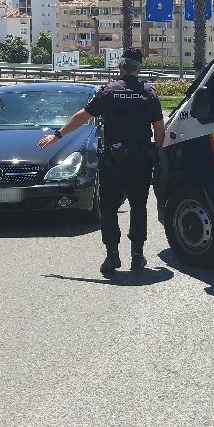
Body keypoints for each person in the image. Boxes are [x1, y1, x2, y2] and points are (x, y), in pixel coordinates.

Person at [38, 48, 165, 273]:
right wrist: (155, 152)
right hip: (140, 161)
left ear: (120, 66)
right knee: (138, 207)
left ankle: (112, 256)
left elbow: (82, 117)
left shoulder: (109, 92)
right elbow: (159, 128)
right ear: (139, 69)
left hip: (113, 161)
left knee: (108, 207)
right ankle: (137, 255)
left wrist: (57, 135)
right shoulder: (148, 94)